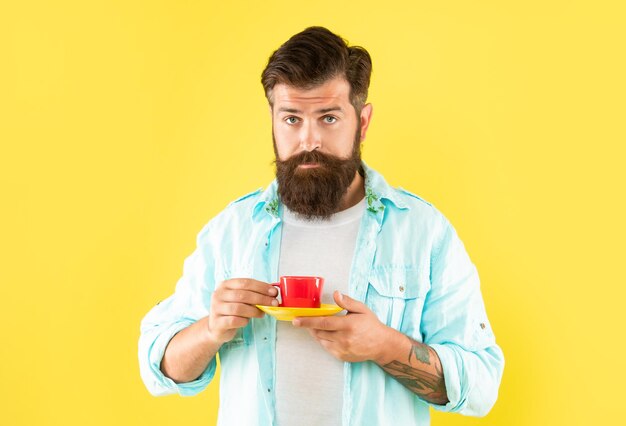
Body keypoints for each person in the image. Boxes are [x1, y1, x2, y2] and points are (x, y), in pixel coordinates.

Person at [138, 26, 504, 426]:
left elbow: (482, 386)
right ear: (273, 120)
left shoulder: (423, 233)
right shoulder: (232, 232)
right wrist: (211, 329)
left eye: (328, 118)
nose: (308, 139)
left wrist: (385, 346)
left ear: (362, 122)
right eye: (292, 119)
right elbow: (159, 367)